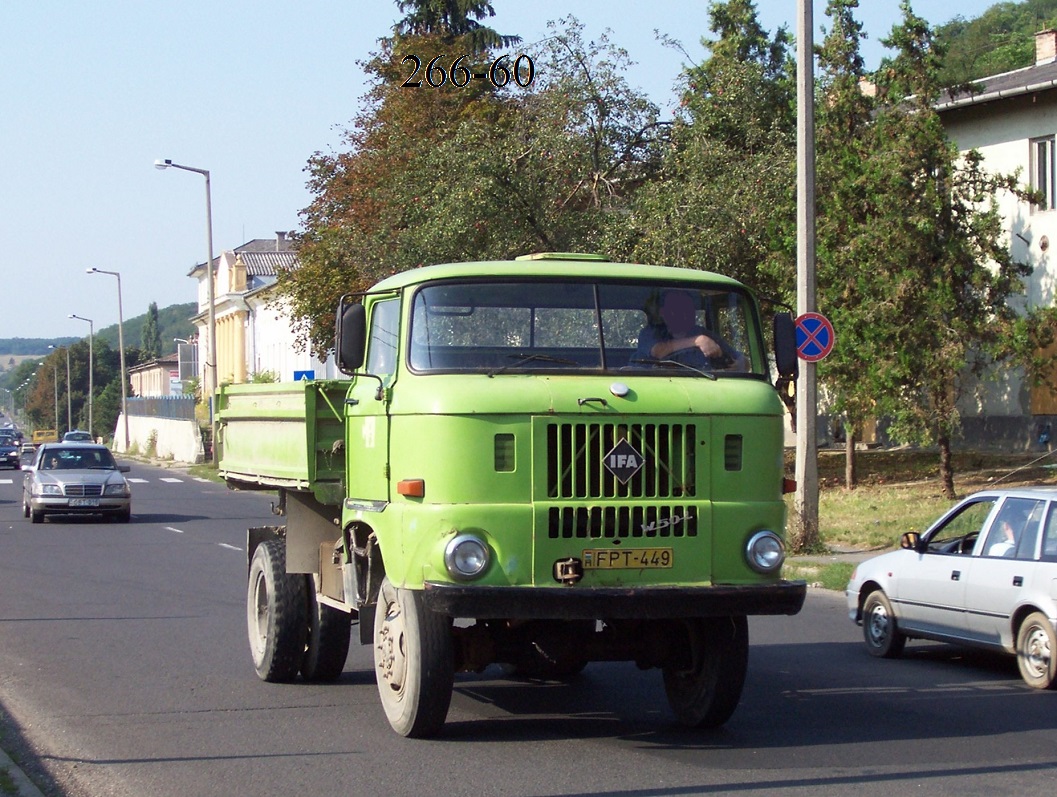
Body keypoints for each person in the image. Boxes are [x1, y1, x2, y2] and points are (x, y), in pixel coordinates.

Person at [635, 289, 745, 370]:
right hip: (657, 386)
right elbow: (658, 351)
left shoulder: (702, 333)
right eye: (677, 308)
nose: (684, 314)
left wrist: (736, 366)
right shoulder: (650, 333)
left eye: (688, 308)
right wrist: (697, 341)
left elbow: (743, 361)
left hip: (702, 386)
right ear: (664, 313)